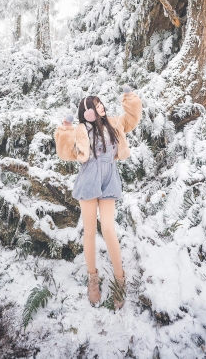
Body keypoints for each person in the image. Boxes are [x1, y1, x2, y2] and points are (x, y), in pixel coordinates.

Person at [54, 86, 142, 308]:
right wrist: (65, 130)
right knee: (90, 231)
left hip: (109, 177)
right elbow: (65, 153)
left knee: (109, 228)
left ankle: (119, 279)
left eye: (101, 103)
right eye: (95, 105)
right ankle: (93, 278)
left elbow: (132, 119)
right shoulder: (81, 131)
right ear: (88, 112)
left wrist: (130, 99)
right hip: (89, 179)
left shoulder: (114, 123)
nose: (101, 107)